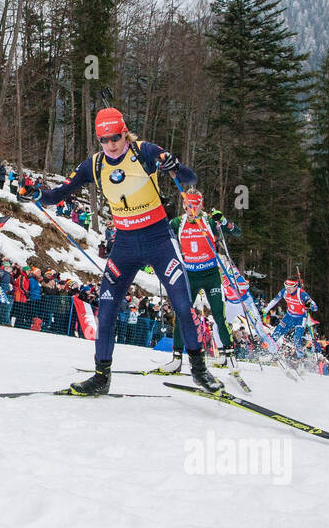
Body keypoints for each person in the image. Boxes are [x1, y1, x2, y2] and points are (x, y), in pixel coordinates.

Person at [22, 107, 219, 395]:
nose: (111, 144)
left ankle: (200, 371)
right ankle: (101, 376)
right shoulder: (94, 165)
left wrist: (174, 166)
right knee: (107, 308)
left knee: (183, 305)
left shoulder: (145, 152)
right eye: (104, 139)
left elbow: (190, 180)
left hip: (158, 241)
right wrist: (37, 194)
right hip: (124, 246)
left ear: (124, 132)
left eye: (115, 137)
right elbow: (59, 194)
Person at [169, 190, 240, 365]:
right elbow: (160, 237)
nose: (191, 210)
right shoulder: (178, 223)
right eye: (188, 206)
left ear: (201, 205)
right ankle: (176, 357)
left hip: (210, 275)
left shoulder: (209, 221)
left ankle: (229, 355)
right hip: (190, 276)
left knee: (218, 313)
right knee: (182, 314)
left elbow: (236, 232)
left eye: (195, 206)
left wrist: (222, 221)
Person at [263, 278, 319, 348]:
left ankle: (300, 357)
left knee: (296, 340)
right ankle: (268, 352)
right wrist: (266, 309)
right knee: (276, 333)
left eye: (290, 287)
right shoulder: (284, 292)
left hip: (300, 319)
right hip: (289, 316)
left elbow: (315, 308)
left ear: (296, 286)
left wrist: (309, 305)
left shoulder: (302, 294)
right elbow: (275, 300)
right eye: (286, 287)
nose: (288, 289)